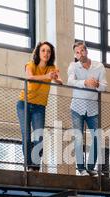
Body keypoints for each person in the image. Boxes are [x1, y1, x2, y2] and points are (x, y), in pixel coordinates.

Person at [16, 41, 63, 172]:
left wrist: (55, 78)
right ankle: (28, 165)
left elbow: (60, 82)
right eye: (43, 50)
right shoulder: (30, 64)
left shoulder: (52, 68)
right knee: (26, 135)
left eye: (48, 51)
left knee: (39, 137)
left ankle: (35, 167)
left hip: (40, 107)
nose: (46, 53)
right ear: (38, 52)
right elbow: (30, 77)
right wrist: (47, 76)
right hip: (24, 103)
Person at [67, 41, 107, 176]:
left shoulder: (99, 66)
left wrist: (96, 84)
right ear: (75, 54)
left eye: (82, 51)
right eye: (77, 52)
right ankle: (81, 168)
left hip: (92, 108)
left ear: (86, 51)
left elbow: (104, 86)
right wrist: (85, 82)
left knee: (97, 137)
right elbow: (70, 82)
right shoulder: (73, 66)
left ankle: (90, 167)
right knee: (78, 138)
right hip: (77, 108)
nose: (80, 54)